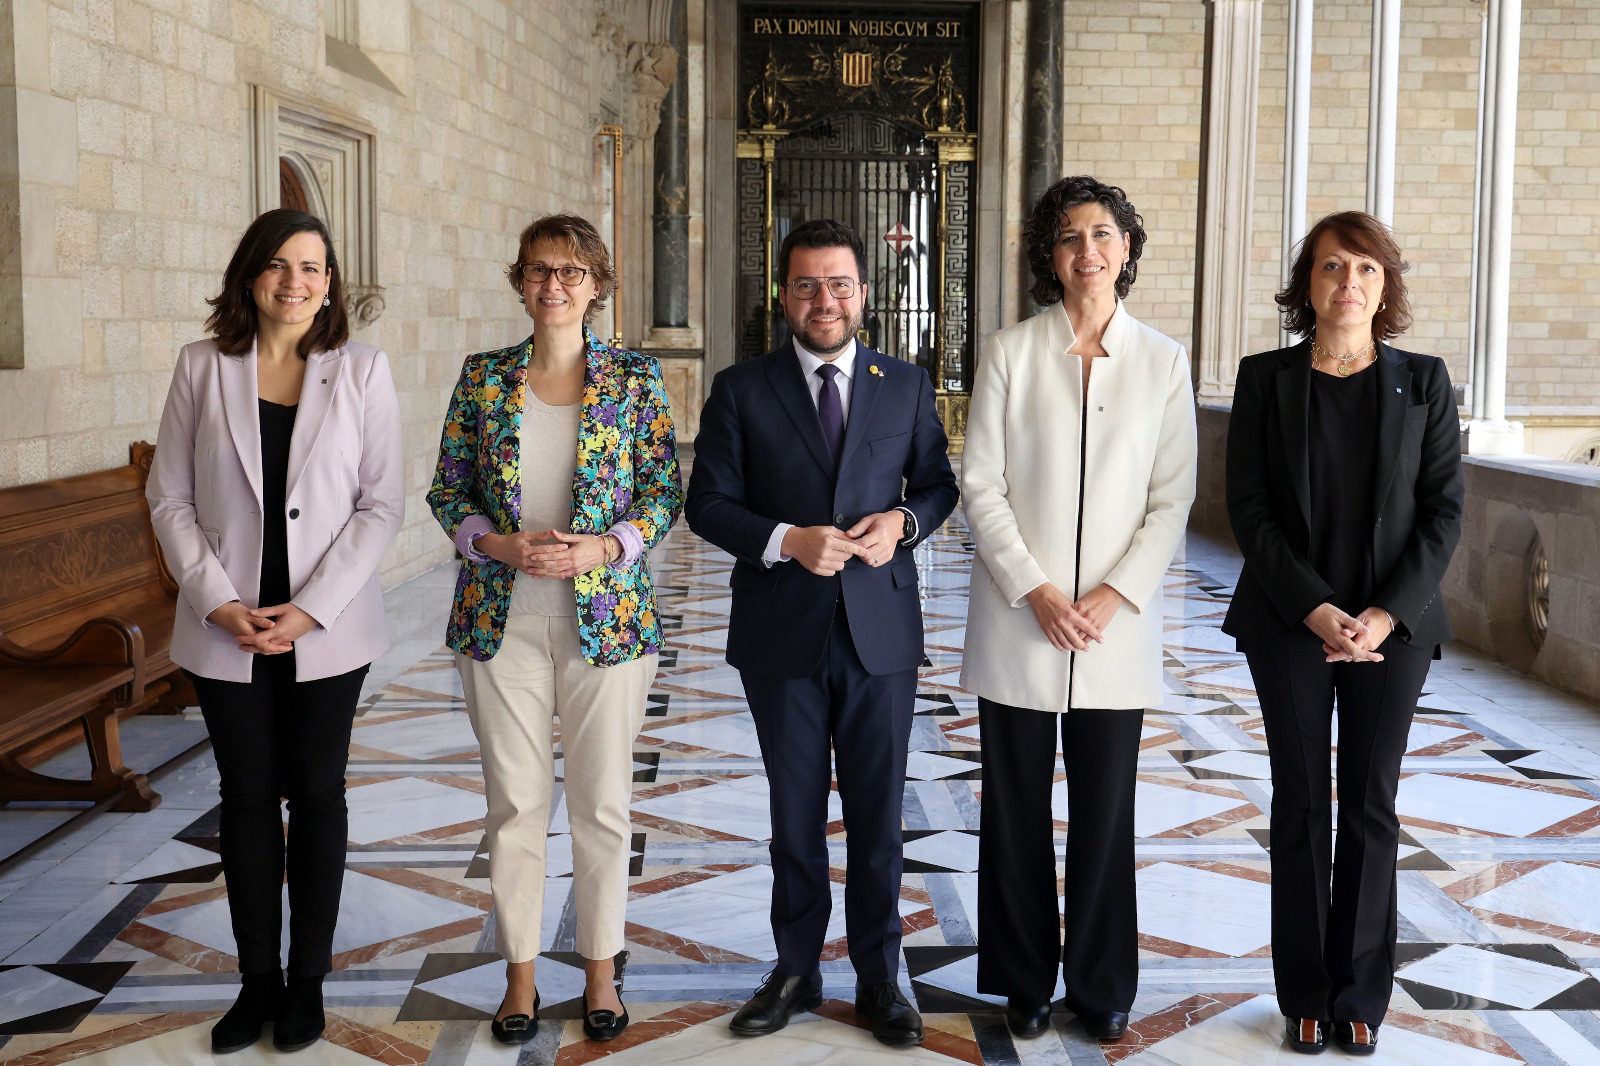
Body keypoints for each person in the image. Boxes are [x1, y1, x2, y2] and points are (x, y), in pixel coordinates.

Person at [686, 218, 958, 1047]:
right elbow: (707, 503)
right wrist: (785, 540)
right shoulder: (741, 388)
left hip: (881, 632)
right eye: (806, 285)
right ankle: (796, 970)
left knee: (879, 818)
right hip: (781, 632)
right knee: (794, 813)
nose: (824, 299)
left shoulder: (904, 383)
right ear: (784, 296)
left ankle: (880, 979)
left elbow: (939, 486)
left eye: (839, 284)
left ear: (863, 293)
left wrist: (902, 523)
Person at [146, 209, 404, 1055]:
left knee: (319, 794)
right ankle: (256, 981)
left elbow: (380, 506)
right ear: (251, 275)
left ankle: (307, 982)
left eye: (313, 268)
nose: (296, 282)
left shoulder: (362, 370)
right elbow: (169, 498)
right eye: (280, 265)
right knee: (247, 796)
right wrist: (218, 601)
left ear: (330, 285)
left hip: (327, 627)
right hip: (227, 626)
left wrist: (312, 608)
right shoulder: (202, 365)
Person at [427, 213, 681, 1046]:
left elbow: (663, 491)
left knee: (601, 804)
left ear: (596, 284)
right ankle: (521, 978)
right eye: (539, 269)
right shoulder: (484, 377)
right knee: (514, 807)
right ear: (520, 281)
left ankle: (602, 972)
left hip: (607, 621)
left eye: (572, 271)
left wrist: (608, 546)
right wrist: (492, 543)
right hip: (501, 623)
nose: (554, 285)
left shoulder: (634, 379)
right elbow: (447, 489)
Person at [961, 176, 1197, 1043]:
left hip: (1113, 628)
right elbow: (980, 483)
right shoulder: (1010, 352)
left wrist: (1111, 593)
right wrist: (1035, 587)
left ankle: (1101, 983)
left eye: (1102, 234)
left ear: (1126, 249)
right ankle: (1022, 979)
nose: (1087, 251)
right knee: (1014, 810)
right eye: (1069, 236)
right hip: (1019, 617)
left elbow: (1171, 499)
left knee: (1105, 814)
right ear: (1049, 255)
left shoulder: (1164, 361)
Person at [1224, 211, 1462, 1056]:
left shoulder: (1424, 381)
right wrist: (1316, 608)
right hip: (1290, 620)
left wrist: (1384, 615)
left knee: (1370, 802)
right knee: (1300, 800)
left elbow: (1443, 512)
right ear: (1308, 283)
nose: (1348, 283)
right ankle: (1305, 994)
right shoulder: (1265, 378)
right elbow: (1248, 507)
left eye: (1365, 268)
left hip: (1393, 628)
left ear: (1384, 285)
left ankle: (1360, 995)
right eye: (1332, 267)